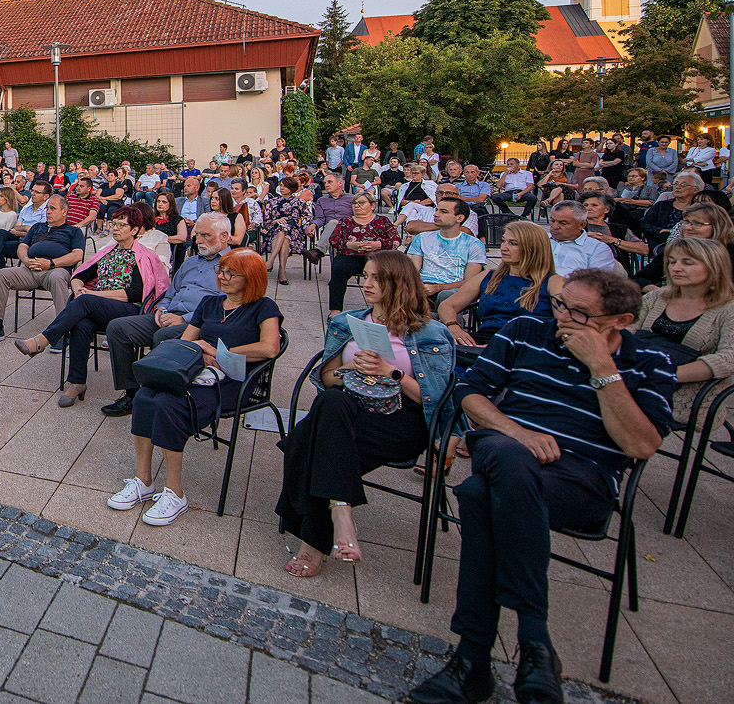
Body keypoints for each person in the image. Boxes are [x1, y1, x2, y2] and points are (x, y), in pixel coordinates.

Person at [407, 269, 673, 704]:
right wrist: (518, 433)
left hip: (577, 480)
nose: (561, 316)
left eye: (578, 312)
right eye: (560, 303)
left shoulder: (649, 362)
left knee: (476, 495)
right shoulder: (527, 330)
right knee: (509, 458)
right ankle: (535, 640)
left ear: (620, 322)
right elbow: (472, 393)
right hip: (506, 447)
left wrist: (602, 368)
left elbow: (641, 445)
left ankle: (472, 659)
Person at [278, 251, 455, 576]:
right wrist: (349, 366)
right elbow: (328, 381)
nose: (366, 283)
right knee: (330, 405)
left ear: (398, 284)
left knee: (308, 438)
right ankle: (339, 511)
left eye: (376, 278)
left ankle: (318, 535)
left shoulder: (431, 334)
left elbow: (440, 400)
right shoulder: (349, 322)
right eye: (367, 276)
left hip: (401, 421)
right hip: (349, 413)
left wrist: (392, 372)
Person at [104, 248, 282, 527]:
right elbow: (186, 342)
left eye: (229, 273)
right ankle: (144, 480)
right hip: (200, 371)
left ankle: (175, 493)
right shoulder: (210, 304)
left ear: (250, 279)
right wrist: (195, 352)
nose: (221, 277)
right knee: (145, 396)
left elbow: (270, 347)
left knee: (169, 404)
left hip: (234, 382)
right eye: (220, 270)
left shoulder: (263, 307)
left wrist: (220, 351)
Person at [14, 206, 170, 407]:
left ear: (135, 230)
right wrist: (79, 289)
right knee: (82, 322)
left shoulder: (142, 256)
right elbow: (79, 276)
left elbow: (135, 293)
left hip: (129, 309)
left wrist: (93, 295)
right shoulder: (108, 252)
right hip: (97, 305)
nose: (115, 228)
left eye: (122, 225)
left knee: (85, 302)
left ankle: (43, 340)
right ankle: (77, 382)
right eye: (114, 223)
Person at [101, 213, 230, 417]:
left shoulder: (233, 265)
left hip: (199, 324)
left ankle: (156, 397)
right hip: (169, 314)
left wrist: (183, 319)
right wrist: (163, 309)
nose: (198, 240)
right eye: (197, 235)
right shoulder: (191, 262)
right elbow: (170, 292)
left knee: (161, 337)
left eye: (205, 235)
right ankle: (133, 393)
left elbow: (223, 306)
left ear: (224, 236)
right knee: (118, 328)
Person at [630, 236, 734, 429]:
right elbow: (624, 332)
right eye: (671, 262)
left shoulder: (728, 309)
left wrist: (664, 375)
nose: (675, 268)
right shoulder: (656, 297)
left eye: (687, 263)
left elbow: (728, 359)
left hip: (686, 397)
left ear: (713, 266)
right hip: (637, 379)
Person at [0, 194, 85, 346]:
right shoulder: (38, 227)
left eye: (53, 208)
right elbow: (22, 246)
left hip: (55, 270)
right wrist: (25, 260)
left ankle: (63, 331)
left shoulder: (73, 231)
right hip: (30, 270)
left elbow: (77, 255)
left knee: (57, 278)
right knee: (1, 275)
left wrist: (51, 263)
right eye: (47, 208)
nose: (48, 212)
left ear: (64, 212)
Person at [438, 221, 562, 347]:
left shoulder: (552, 282)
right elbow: (447, 305)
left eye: (513, 243)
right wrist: (453, 326)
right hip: (483, 340)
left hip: (527, 345)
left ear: (532, 248)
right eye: (504, 241)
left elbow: (564, 327)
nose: (503, 247)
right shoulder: (489, 277)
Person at [326, 192, 401, 315]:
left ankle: (385, 308)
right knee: (338, 268)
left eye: (361, 202)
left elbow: (396, 240)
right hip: (350, 256)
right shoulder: (346, 221)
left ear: (372, 205)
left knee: (387, 271)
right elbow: (333, 240)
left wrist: (378, 244)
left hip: (377, 257)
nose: (357, 206)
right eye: (354, 203)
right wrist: (350, 245)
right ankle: (335, 310)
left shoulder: (382, 220)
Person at [406, 198, 485, 302]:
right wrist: (419, 285)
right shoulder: (421, 238)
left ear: (459, 218)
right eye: (436, 210)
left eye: (443, 211)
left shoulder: (474, 244)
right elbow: (412, 271)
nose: (436, 214)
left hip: (453, 290)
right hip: (423, 286)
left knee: (446, 296)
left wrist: (438, 288)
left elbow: (470, 281)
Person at [259, 177, 311, 285]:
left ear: (291, 188)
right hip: (275, 230)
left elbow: (307, 218)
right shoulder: (272, 202)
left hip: (294, 232)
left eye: (285, 186)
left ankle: (271, 260)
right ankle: (282, 271)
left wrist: (302, 227)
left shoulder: (299, 202)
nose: (281, 188)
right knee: (283, 234)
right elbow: (266, 222)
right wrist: (276, 221)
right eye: (281, 185)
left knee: (285, 231)